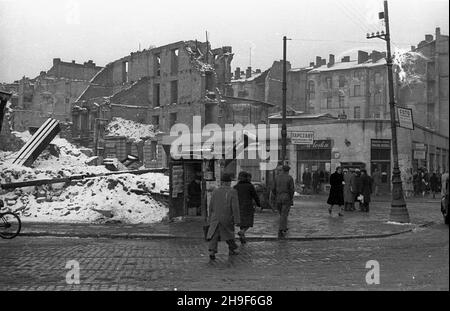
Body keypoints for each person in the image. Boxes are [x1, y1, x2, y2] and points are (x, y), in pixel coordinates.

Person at [206, 173, 240, 260]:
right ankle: (233, 248)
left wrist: (210, 218)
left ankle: (212, 251)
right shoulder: (232, 191)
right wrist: (237, 220)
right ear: (229, 182)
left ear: (222, 182)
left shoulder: (215, 191)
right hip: (227, 216)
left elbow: (211, 206)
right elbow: (235, 207)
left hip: (215, 217)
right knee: (228, 234)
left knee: (214, 234)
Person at [234, 171, 261, 244]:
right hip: (248, 206)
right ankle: (242, 232)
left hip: (238, 206)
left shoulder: (236, 187)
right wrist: (259, 204)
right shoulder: (250, 186)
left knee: (242, 222)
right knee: (248, 222)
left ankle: (242, 237)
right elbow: (255, 196)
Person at [272, 165, 295, 238]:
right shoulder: (289, 178)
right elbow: (292, 189)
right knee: (284, 214)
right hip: (286, 197)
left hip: (278, 197)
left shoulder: (277, 177)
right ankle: (281, 229)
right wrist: (291, 197)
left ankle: (284, 227)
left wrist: (276, 195)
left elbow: (273, 188)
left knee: (281, 213)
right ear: (288, 171)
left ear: (282, 170)